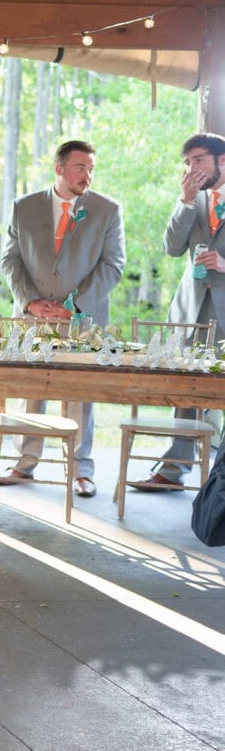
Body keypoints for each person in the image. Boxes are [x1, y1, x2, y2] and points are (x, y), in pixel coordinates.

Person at [0, 140, 125, 499]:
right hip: (34, 316)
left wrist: (76, 304)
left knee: (79, 394)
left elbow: (113, 265)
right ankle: (25, 463)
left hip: (82, 318)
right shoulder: (24, 207)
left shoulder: (107, 210)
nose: (87, 175)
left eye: (91, 168)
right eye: (80, 167)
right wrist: (29, 301)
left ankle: (81, 469)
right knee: (31, 389)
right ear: (59, 168)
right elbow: (10, 260)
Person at [143, 132, 225, 491]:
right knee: (186, 392)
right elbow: (171, 248)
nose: (192, 168)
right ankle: (174, 470)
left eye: (199, 160)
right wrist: (185, 201)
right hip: (191, 313)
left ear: (222, 160)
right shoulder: (193, 201)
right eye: (188, 162)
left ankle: (218, 479)